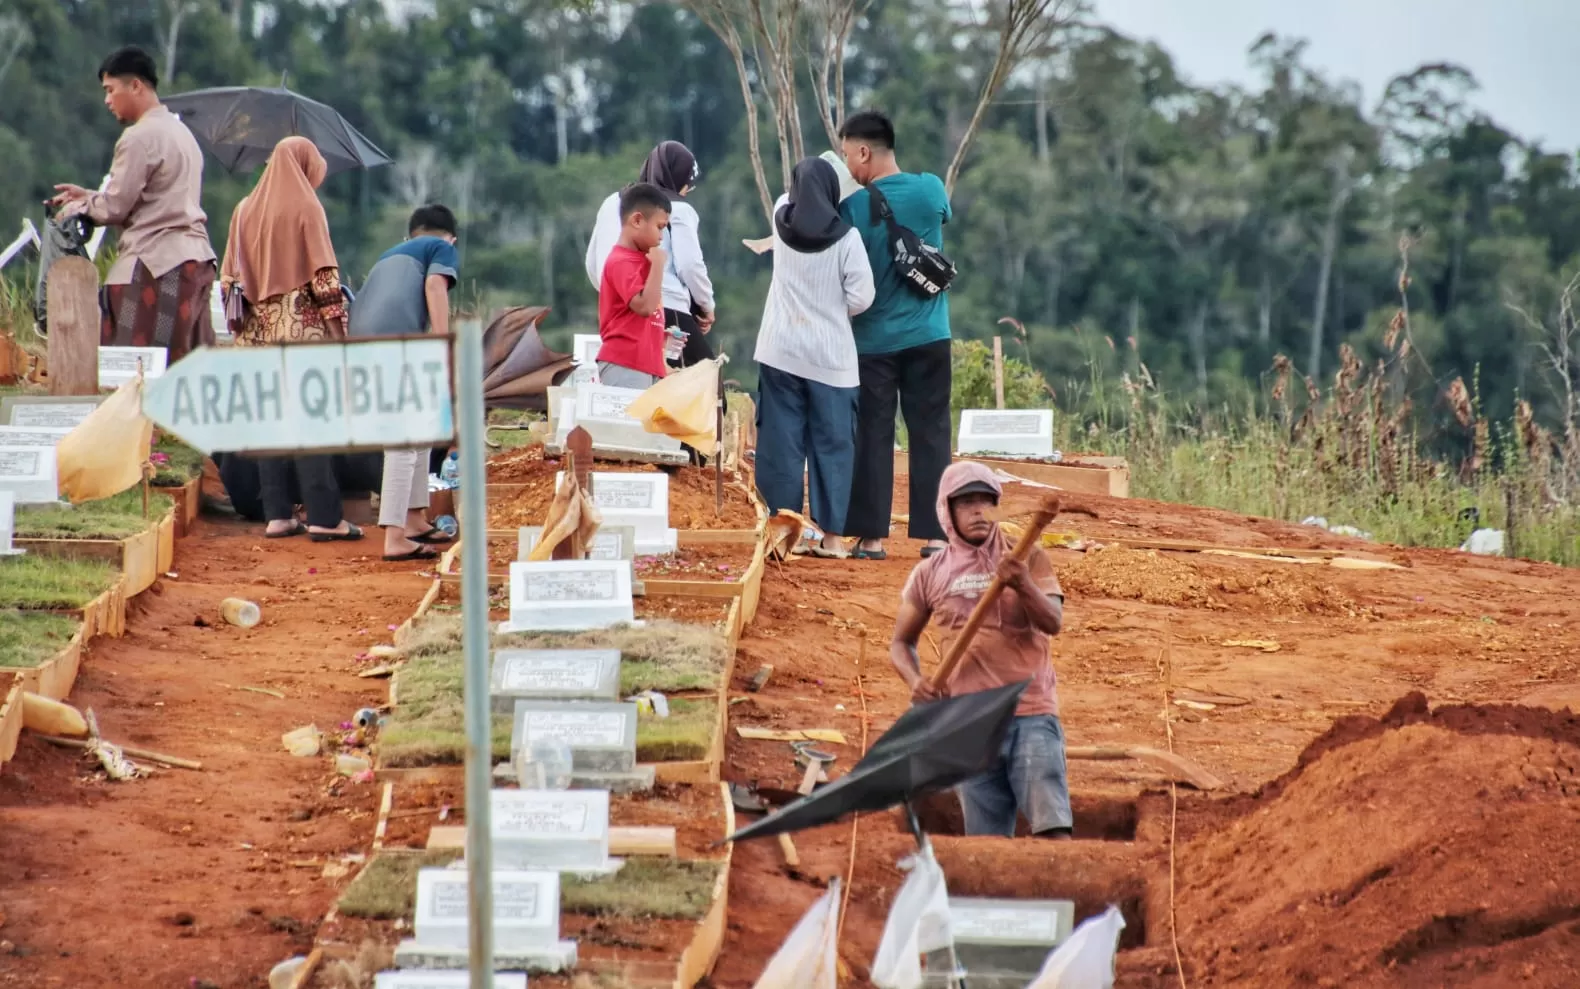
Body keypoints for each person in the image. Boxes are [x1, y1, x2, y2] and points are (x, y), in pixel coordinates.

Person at [889, 462, 1070, 838]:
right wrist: (915, 680)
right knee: (984, 844)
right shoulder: (929, 572)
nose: (978, 512)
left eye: (987, 502)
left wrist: (1023, 584)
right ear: (947, 511)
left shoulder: (1028, 556)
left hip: (1030, 714)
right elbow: (900, 643)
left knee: (1053, 831)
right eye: (967, 503)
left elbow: (1052, 622)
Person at [219, 136, 361, 543]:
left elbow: (229, 281)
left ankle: (278, 515)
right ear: (304, 165)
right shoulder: (307, 207)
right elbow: (325, 280)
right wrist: (341, 336)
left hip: (255, 338)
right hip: (302, 335)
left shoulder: (244, 209)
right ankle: (323, 517)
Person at [50, 46, 216, 365]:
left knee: (134, 372)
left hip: (154, 265)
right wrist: (89, 196)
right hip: (195, 261)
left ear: (136, 85)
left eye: (111, 90)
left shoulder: (139, 137)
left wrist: (81, 208)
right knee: (184, 369)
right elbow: (150, 197)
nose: (107, 100)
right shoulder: (182, 133)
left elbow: (115, 207)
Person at [838, 110, 953, 561]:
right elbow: (941, 221)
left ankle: (871, 538)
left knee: (873, 434)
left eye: (849, 155)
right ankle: (937, 536)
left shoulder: (852, 207)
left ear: (864, 152)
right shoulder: (931, 188)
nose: (849, 165)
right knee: (931, 432)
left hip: (873, 342)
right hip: (929, 333)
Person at [754, 156, 875, 558]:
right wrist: (832, 307)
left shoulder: (778, 215)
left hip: (780, 350)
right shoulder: (848, 240)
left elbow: (792, 195)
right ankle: (833, 539)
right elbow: (862, 298)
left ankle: (781, 536)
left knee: (781, 443)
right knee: (833, 445)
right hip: (830, 359)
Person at [349, 204, 463, 562]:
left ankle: (414, 519)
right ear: (451, 237)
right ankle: (395, 537)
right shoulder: (441, 248)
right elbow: (434, 286)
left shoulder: (389, 255)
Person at [586, 141, 716, 369]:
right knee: (706, 383)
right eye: (688, 186)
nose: (686, 192)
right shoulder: (679, 209)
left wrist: (621, 294)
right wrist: (707, 305)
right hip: (666, 307)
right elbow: (690, 266)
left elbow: (593, 264)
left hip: (616, 311)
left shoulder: (611, 204)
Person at [595, 183, 671, 390]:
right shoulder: (621, 261)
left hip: (648, 364)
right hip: (625, 362)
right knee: (629, 423)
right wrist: (658, 265)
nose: (661, 237)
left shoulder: (644, 259)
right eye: (660, 227)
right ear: (637, 220)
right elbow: (645, 307)